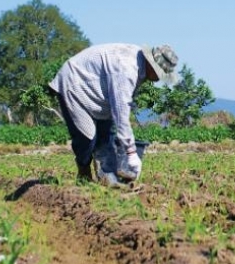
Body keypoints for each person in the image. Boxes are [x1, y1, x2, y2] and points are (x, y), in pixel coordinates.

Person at [49, 43, 178, 187]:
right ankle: (83, 171)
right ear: (153, 66)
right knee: (87, 139)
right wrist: (131, 152)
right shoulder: (127, 68)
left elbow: (123, 101)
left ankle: (107, 176)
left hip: (99, 91)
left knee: (106, 136)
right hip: (74, 84)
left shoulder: (138, 65)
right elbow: (121, 111)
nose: (159, 78)